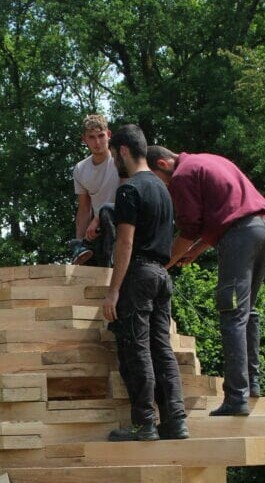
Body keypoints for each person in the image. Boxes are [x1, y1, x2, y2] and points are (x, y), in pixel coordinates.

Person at [146, 146, 265, 415]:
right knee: (247, 311)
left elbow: (190, 227)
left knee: (231, 314)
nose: (163, 186)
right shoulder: (208, 161)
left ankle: (236, 398)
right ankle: (252, 385)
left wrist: (163, 263)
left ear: (163, 163)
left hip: (241, 237)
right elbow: (222, 217)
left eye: (157, 178)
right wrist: (194, 251)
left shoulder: (183, 175)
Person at [102, 124, 188, 441]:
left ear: (123, 150)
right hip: (163, 275)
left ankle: (144, 423)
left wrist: (113, 291)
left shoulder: (129, 190)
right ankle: (175, 420)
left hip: (138, 274)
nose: (113, 161)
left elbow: (124, 244)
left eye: (113, 154)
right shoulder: (163, 189)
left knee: (136, 347)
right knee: (161, 348)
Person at [71, 114, 120, 267]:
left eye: (101, 136)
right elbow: (84, 208)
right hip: (100, 231)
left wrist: (98, 218)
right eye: (91, 137)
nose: (97, 142)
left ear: (109, 135)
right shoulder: (80, 169)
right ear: (84, 139)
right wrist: (80, 242)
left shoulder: (120, 160)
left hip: (124, 222)